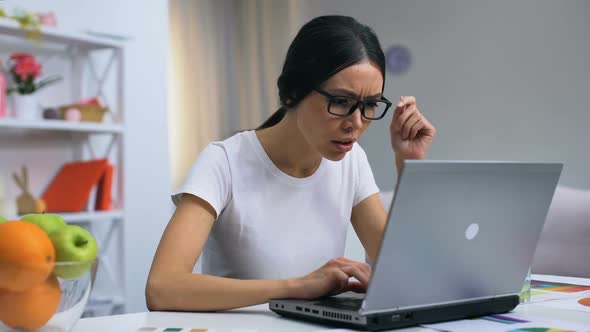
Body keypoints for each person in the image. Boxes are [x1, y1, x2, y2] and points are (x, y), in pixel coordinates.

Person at [146, 15, 436, 312]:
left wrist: (409, 168)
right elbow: (163, 287)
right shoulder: (224, 162)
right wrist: (297, 287)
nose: (356, 123)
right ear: (293, 92)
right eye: (341, 102)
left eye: (370, 105)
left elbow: (404, 275)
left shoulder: (352, 161)